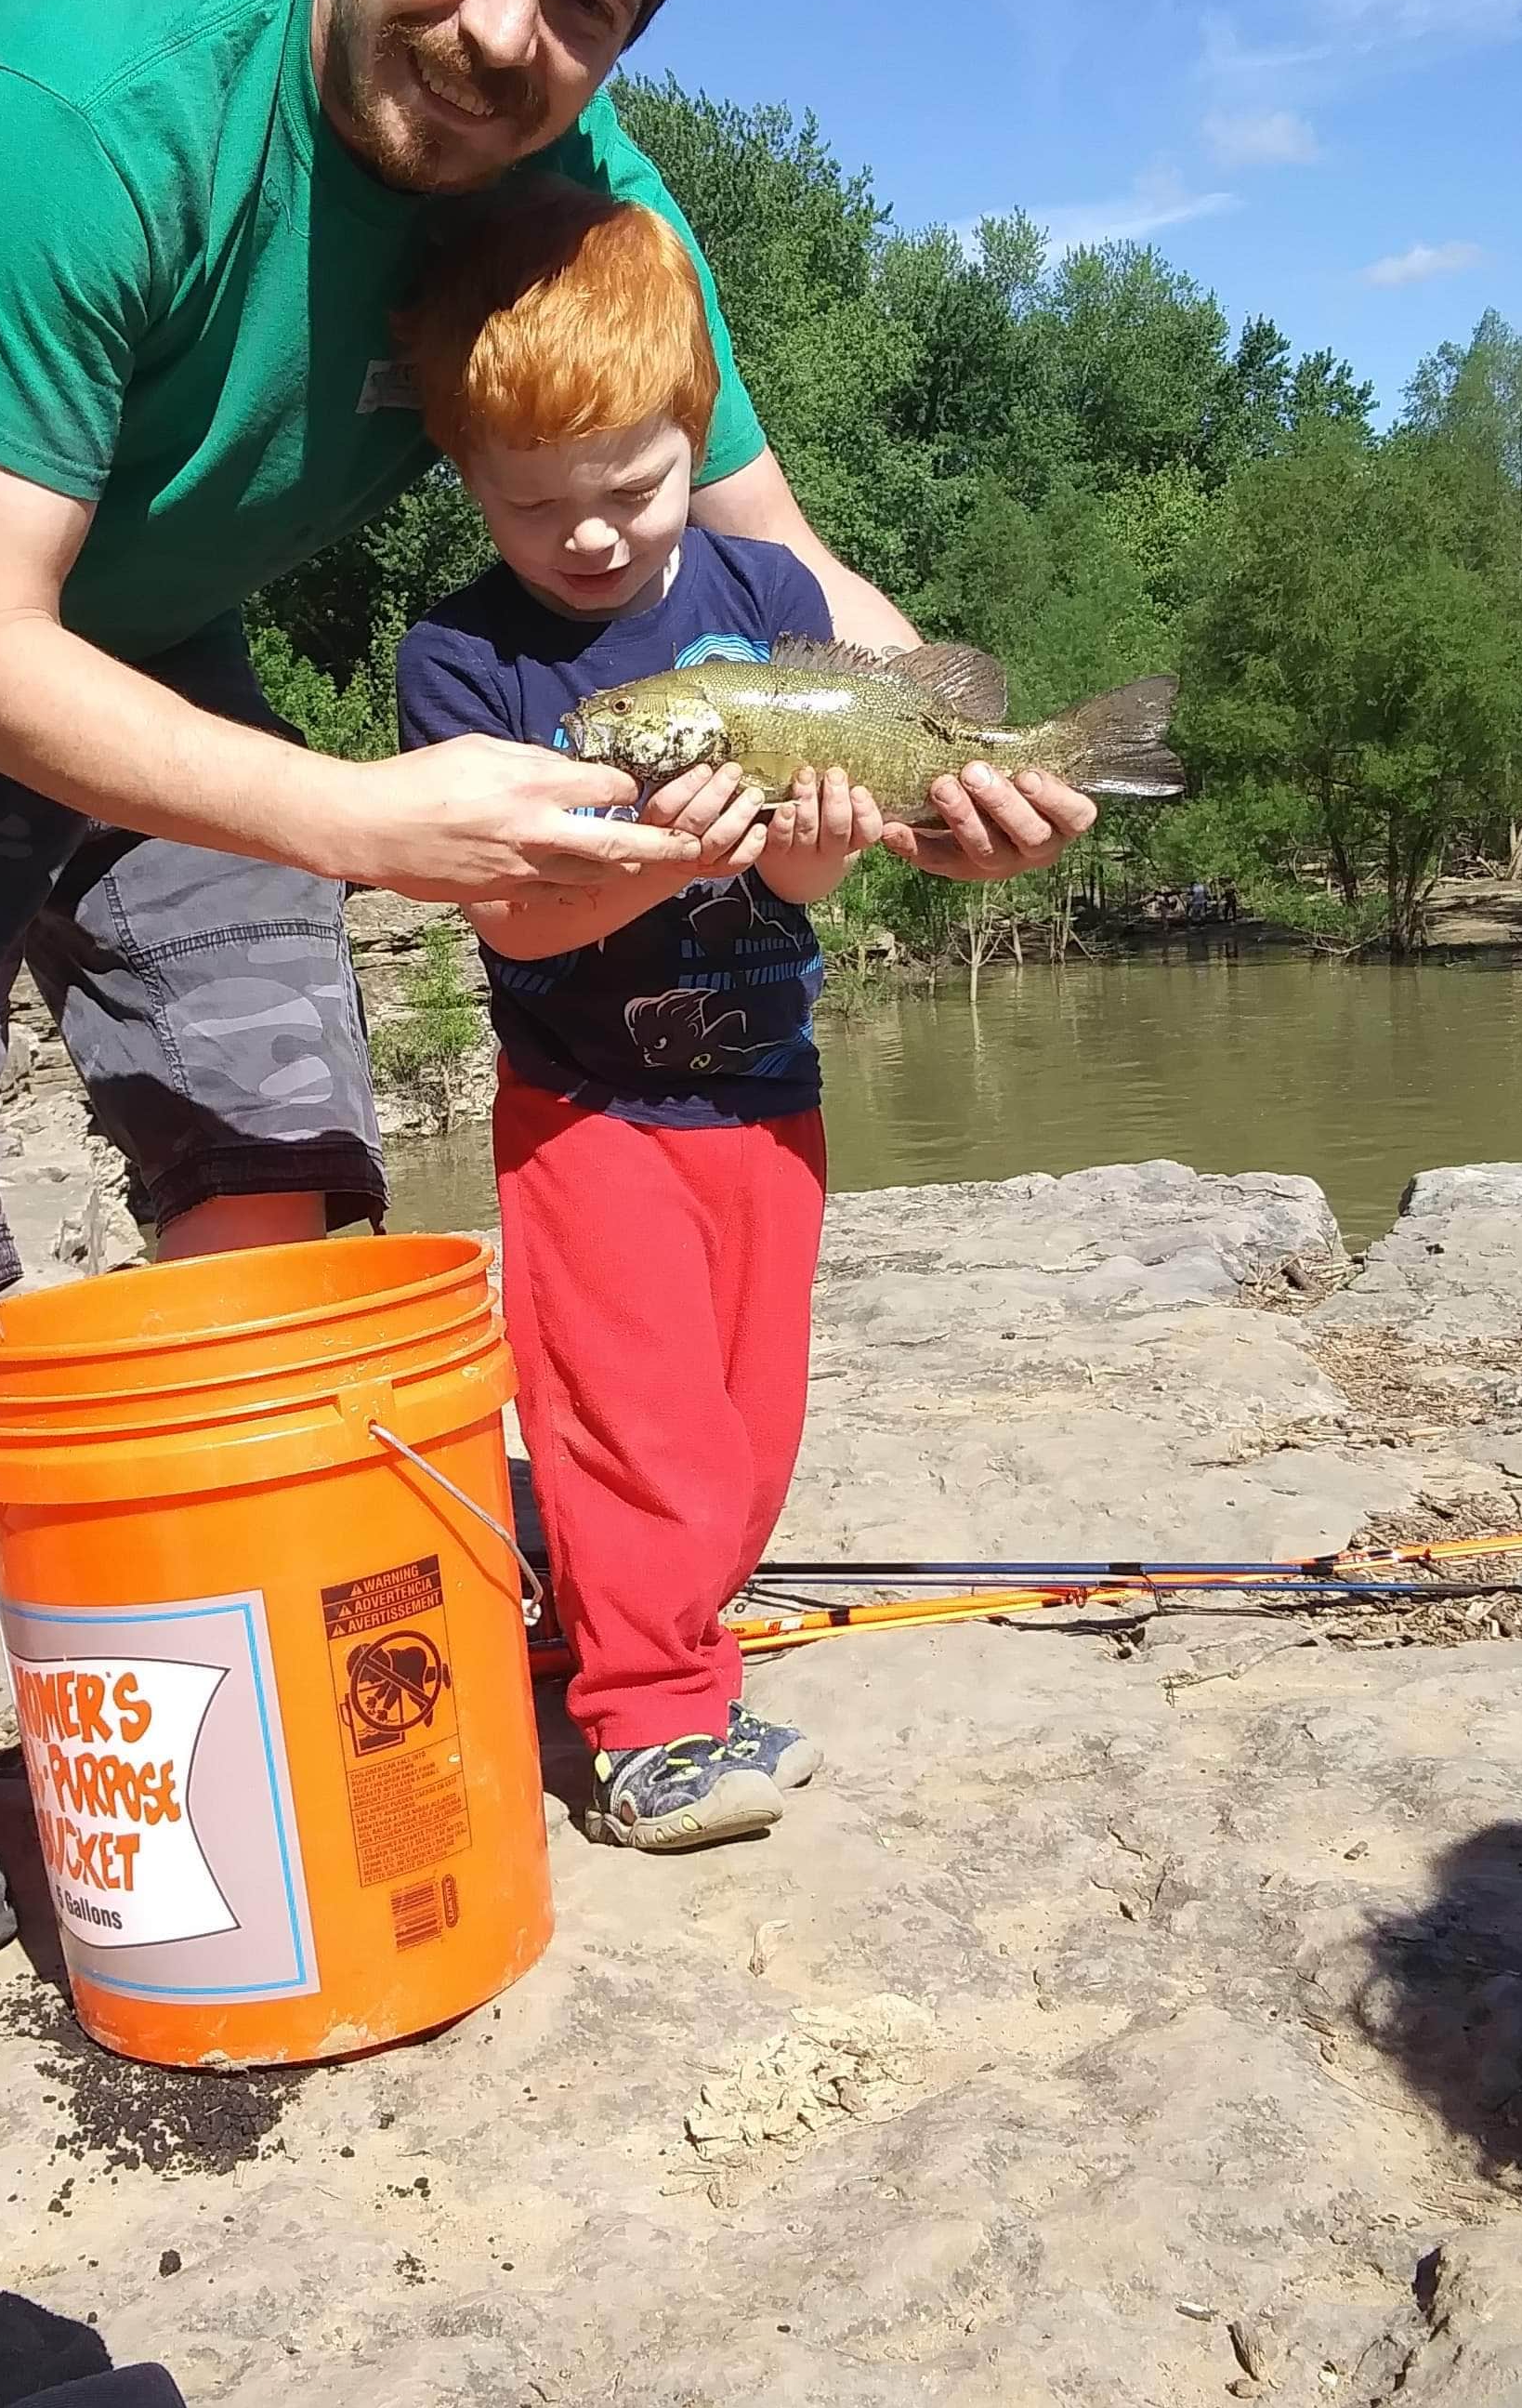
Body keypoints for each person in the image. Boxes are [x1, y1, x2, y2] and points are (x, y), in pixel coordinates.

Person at [0, 0, 1089, 1967]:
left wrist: (950, 750)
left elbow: (797, 569)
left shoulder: (581, 207)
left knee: (284, 1140)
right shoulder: (73, 107)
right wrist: (364, 819)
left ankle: (233, 1558)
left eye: (584, 1)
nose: (509, 28)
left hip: (153, 605)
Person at [394, 183, 1094, 1849]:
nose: (587, 536)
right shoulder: (460, 660)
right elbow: (506, 902)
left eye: (629, 487)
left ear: (690, 435)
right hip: (587, 1109)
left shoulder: (777, 596)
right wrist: (656, 863)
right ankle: (649, 1723)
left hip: (770, 1090)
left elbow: (807, 880)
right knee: (631, 1417)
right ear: (467, 480)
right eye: (530, 502)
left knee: (742, 1421)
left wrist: (821, 861)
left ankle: (642, 1613)